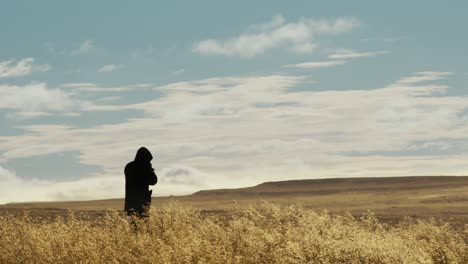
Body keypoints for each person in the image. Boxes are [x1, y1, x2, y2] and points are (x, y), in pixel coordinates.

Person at [124, 147, 158, 217]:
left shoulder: (129, 166)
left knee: (133, 226)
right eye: (148, 160)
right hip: (142, 203)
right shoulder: (143, 168)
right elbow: (153, 181)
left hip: (131, 203)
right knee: (142, 226)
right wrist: (150, 170)